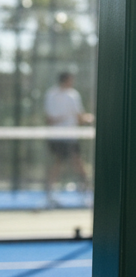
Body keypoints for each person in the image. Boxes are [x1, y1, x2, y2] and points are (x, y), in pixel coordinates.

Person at [44, 71, 93, 205]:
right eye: (71, 80)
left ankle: (85, 191)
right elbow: (51, 119)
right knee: (61, 163)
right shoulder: (67, 95)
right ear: (66, 80)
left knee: (73, 162)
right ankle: (51, 194)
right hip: (60, 135)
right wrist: (88, 118)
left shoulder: (64, 94)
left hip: (68, 135)